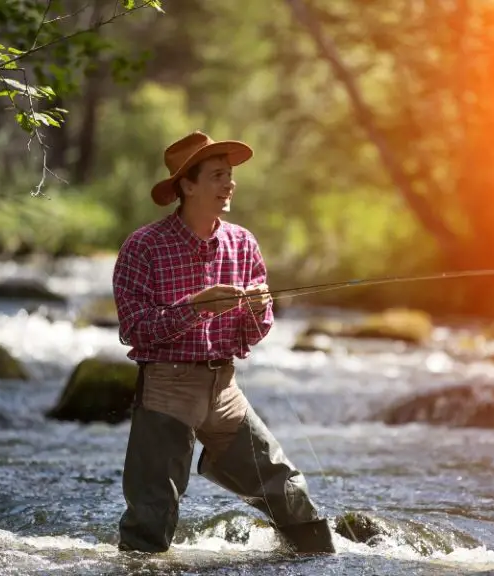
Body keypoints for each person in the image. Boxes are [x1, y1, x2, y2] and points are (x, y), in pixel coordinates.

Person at [111, 131, 336, 555]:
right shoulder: (143, 247)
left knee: (286, 491)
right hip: (166, 391)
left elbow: (252, 333)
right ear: (187, 185)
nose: (229, 184)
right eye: (217, 175)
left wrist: (257, 309)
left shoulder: (243, 243)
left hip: (225, 390)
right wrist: (194, 307)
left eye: (230, 175)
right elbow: (135, 330)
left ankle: (322, 560)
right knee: (151, 520)